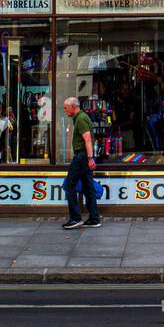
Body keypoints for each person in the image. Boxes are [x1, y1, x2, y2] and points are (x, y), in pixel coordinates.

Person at [62, 96, 102, 230]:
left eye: (66, 108)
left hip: (82, 157)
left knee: (69, 185)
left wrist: (90, 158)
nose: (65, 111)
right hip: (85, 156)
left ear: (74, 107)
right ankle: (94, 218)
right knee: (87, 187)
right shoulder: (81, 117)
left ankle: (75, 218)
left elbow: (88, 140)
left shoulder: (81, 119)